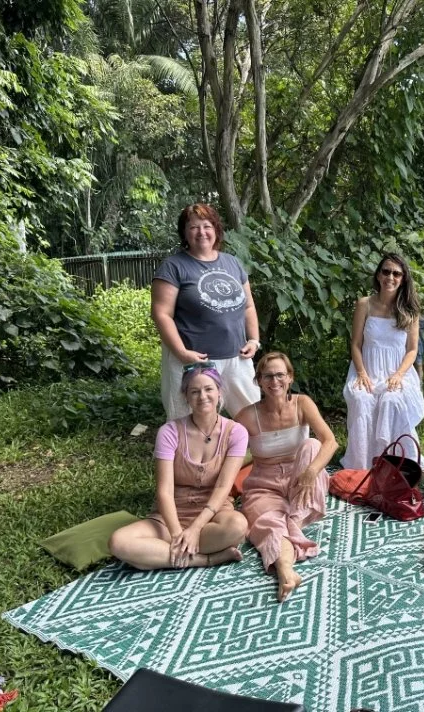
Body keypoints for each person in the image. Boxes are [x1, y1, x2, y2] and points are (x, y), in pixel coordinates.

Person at [109, 364, 249, 570]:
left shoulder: (236, 432)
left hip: (212, 516)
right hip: (169, 517)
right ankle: (205, 559)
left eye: (208, 389)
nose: (202, 396)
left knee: (238, 526)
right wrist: (177, 535)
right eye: (195, 391)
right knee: (118, 542)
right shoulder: (169, 432)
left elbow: (222, 488)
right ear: (186, 397)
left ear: (219, 391)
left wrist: (195, 528)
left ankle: (158, 556)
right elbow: (164, 490)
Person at [235, 352, 338, 602]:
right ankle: (285, 569)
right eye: (268, 376)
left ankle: (289, 521)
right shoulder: (247, 416)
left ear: (290, 377)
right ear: (258, 381)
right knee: (271, 522)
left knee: (312, 446)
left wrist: (312, 471)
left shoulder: (302, 403)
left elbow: (330, 442)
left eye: (280, 374)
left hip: (302, 478)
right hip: (264, 485)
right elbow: (230, 458)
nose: (274, 381)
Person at [152, 203, 261, 421]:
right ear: (184, 232)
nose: (201, 232)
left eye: (207, 225)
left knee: (255, 417)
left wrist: (254, 340)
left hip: (237, 358)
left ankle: (260, 456)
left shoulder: (233, 263)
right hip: (194, 361)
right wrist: (183, 354)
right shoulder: (173, 266)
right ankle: (186, 456)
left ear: (216, 229)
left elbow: (248, 305)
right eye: (193, 227)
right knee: (188, 423)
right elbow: (161, 314)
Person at [341, 253, 424, 469]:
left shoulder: (410, 311)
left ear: (403, 278)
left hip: (398, 372)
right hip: (366, 369)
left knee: (391, 401)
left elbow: (412, 350)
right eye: (386, 271)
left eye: (396, 273)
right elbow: (355, 344)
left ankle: (394, 462)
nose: (390, 277)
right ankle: (361, 465)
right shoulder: (365, 304)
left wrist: (398, 375)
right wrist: (361, 373)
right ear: (378, 275)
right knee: (361, 400)